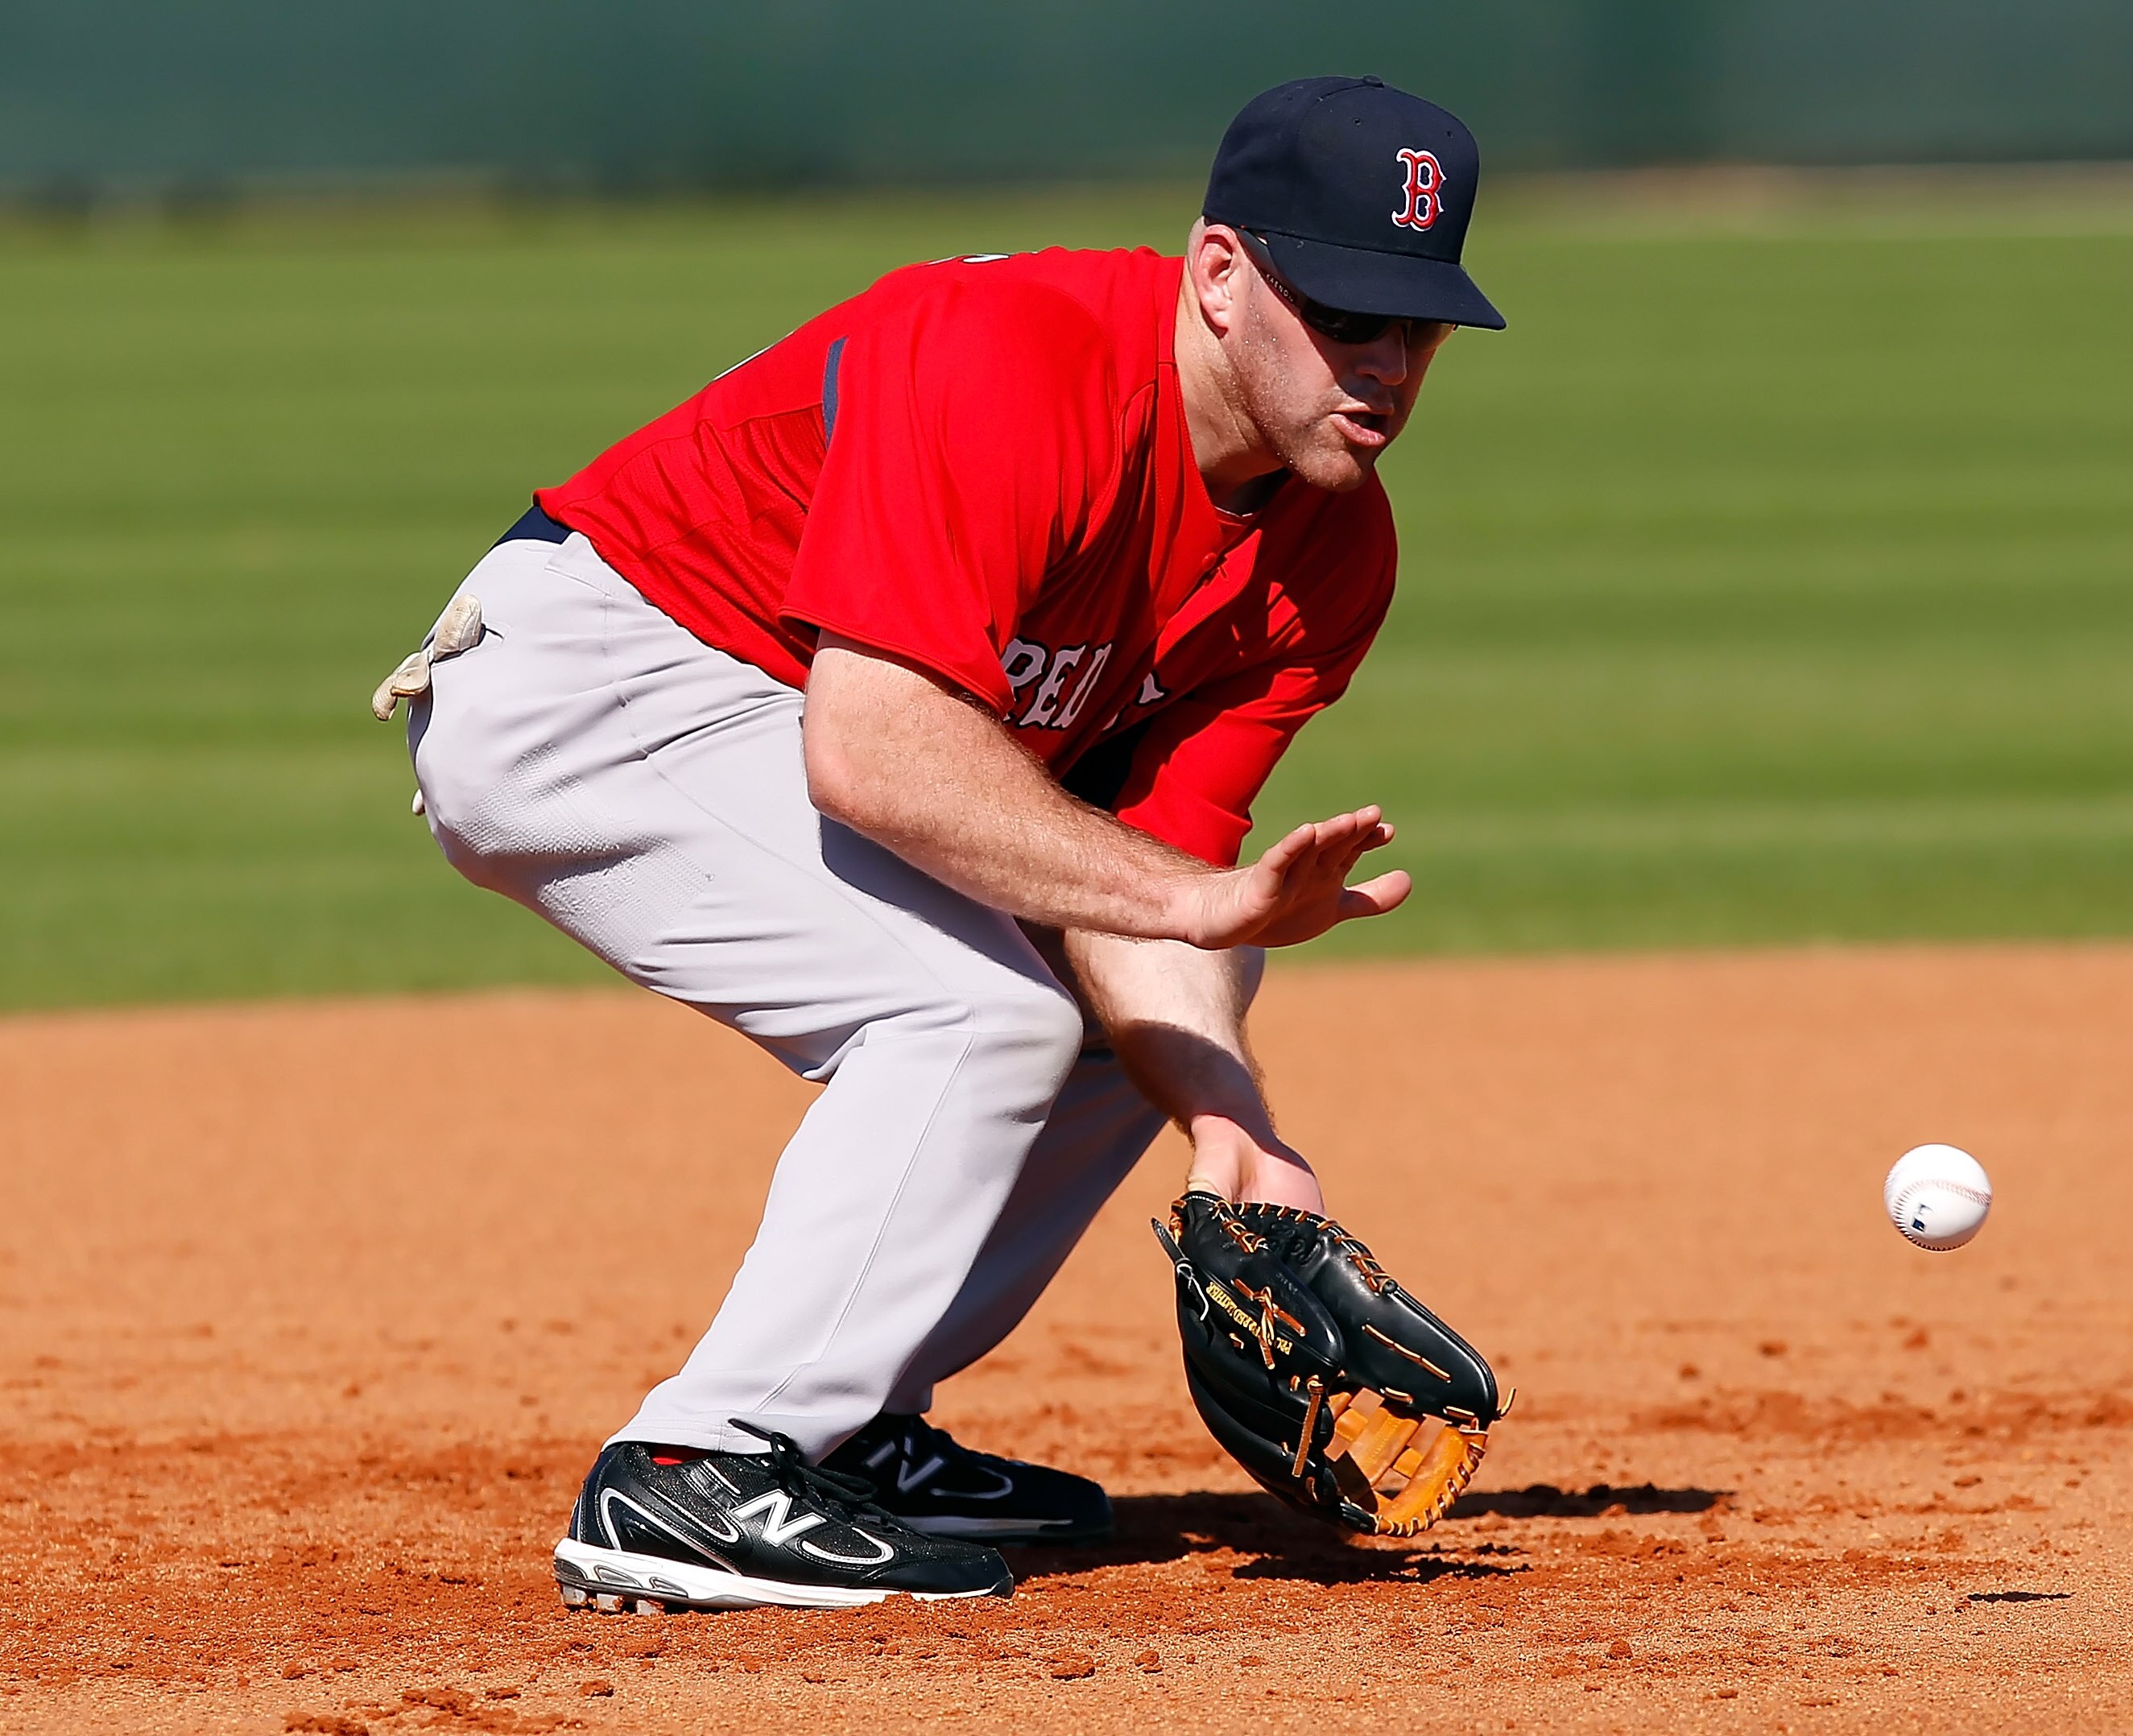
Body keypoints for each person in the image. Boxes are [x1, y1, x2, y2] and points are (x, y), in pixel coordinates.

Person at [383, 74, 1503, 1611]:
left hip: (772, 709)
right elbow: (874, 756)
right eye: (1348, 316)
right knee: (975, 1007)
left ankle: (843, 1424)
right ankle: (698, 1472)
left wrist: (1240, 1138)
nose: (1384, 367)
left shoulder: (1330, 552)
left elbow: (1148, 889)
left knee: (1113, 1032)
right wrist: (1192, 904)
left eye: (1419, 330)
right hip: (593, 673)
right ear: (1222, 274)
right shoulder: (1018, 364)